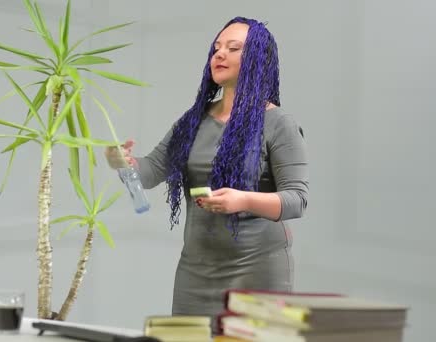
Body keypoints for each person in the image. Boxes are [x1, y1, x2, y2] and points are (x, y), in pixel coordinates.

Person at [105, 17, 308, 325]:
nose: (219, 54)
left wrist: (243, 200)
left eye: (233, 48)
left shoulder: (279, 124)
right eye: (216, 48)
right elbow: (150, 172)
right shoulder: (193, 121)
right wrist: (124, 162)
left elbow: (297, 200)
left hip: (258, 271)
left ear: (257, 59)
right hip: (195, 273)